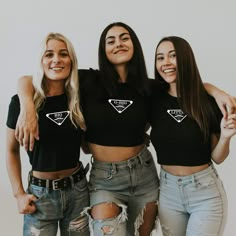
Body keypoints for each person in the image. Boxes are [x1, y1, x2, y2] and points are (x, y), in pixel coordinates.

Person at [14, 22, 236, 236]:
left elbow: (183, 83)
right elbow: (29, 79)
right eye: (110, 40)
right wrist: (27, 106)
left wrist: (216, 92)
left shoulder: (149, 87)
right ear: (103, 49)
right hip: (104, 178)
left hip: (143, 174)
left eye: (124, 38)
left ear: (134, 45)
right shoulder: (88, 80)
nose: (118, 43)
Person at [150, 36, 236, 236]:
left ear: (186, 58)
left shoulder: (207, 102)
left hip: (205, 193)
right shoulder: (153, 97)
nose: (166, 63)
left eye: (173, 56)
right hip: (168, 192)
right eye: (160, 58)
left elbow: (218, 157)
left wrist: (226, 137)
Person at [6, 33, 90, 236]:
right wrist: (18, 194)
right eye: (48, 54)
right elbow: (11, 151)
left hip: (78, 191)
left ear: (71, 60)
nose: (56, 60)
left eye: (63, 54)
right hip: (40, 196)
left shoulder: (80, 96)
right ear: (41, 61)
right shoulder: (21, 103)